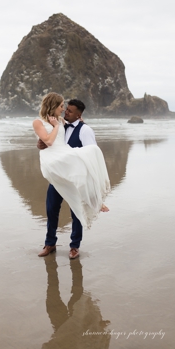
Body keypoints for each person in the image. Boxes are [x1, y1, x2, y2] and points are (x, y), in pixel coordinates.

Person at [34, 94, 111, 260]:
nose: (65, 112)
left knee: (77, 210)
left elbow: (90, 156)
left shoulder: (85, 130)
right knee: (51, 209)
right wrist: (40, 143)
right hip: (58, 174)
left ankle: (75, 246)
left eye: (69, 111)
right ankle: (50, 243)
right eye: (64, 109)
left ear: (79, 115)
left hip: (74, 176)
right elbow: (47, 140)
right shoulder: (60, 123)